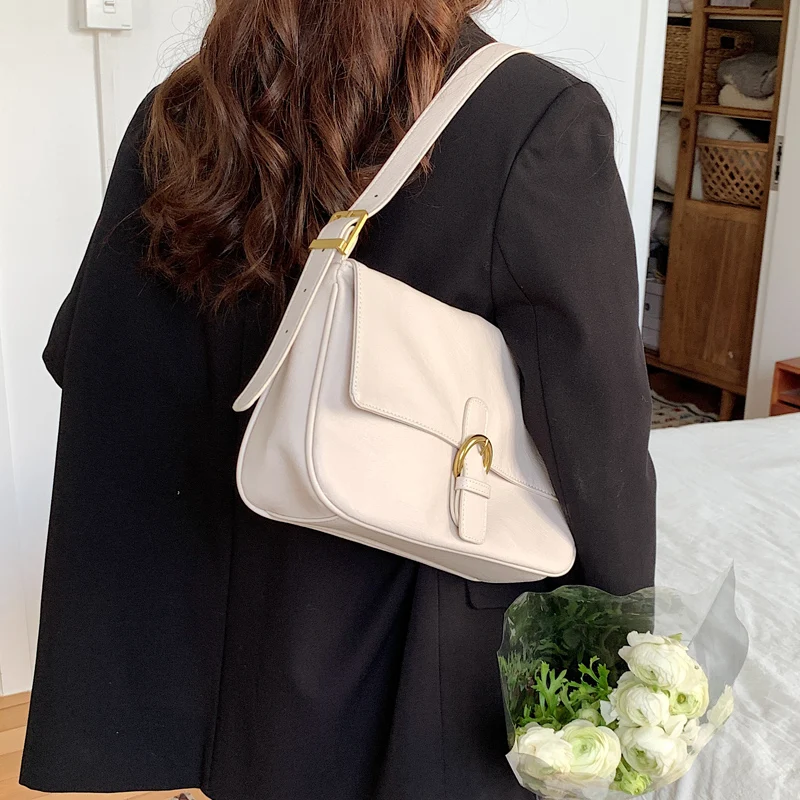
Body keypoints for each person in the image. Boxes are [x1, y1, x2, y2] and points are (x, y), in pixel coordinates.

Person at [20, 3, 656, 800]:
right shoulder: (533, 117)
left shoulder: (181, 113)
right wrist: (627, 648)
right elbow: (597, 444)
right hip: (416, 660)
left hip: (224, 650)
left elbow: (88, 355)